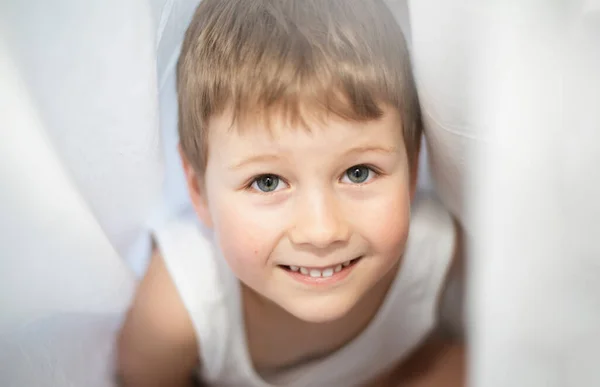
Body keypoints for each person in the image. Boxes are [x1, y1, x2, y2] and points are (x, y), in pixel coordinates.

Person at [117, 1, 465, 386]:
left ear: (414, 168)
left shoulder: (437, 252)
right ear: (198, 190)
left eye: (358, 173)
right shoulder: (181, 305)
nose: (322, 231)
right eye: (267, 182)